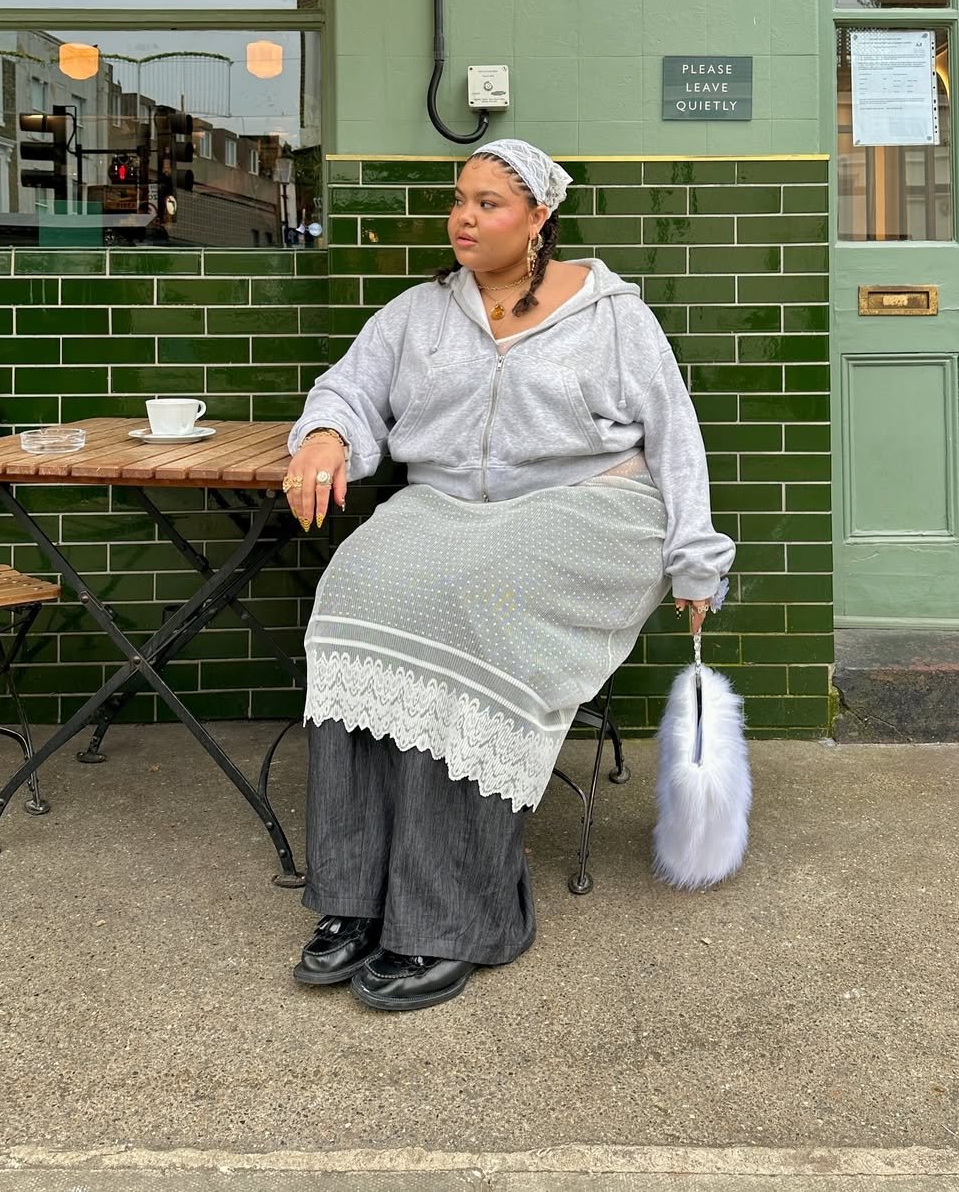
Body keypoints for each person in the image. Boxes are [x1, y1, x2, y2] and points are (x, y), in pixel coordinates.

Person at [284, 138, 735, 1013]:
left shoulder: (610, 313)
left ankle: (452, 913)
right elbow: (350, 387)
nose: (463, 217)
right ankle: (355, 895)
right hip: (447, 506)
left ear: (537, 221)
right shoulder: (418, 313)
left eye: (488, 203)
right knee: (348, 593)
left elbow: (675, 434)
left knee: (469, 604)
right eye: (460, 198)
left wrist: (694, 553)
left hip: (591, 506)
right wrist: (328, 434)